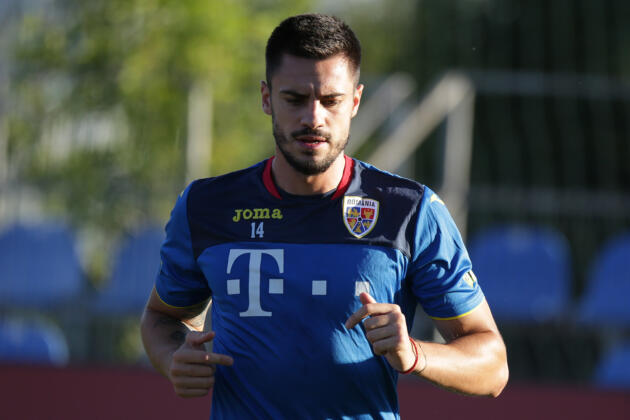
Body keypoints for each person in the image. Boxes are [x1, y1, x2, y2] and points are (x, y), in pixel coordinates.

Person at [140, 13, 508, 419]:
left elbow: (493, 366)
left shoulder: (410, 211)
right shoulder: (207, 206)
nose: (313, 118)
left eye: (331, 101)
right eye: (295, 99)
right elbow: (162, 317)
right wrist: (174, 357)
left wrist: (415, 353)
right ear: (266, 98)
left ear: (355, 101)